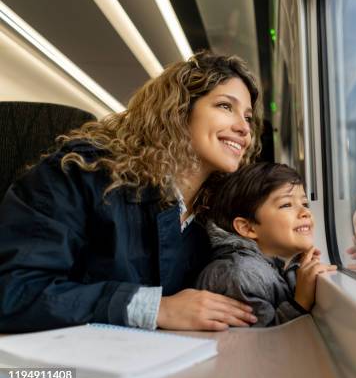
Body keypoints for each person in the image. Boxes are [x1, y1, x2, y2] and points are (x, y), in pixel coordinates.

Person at [0, 51, 262, 332]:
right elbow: (14, 290)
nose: (243, 128)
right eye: (225, 106)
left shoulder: (212, 216)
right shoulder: (82, 173)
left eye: (248, 117)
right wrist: (155, 308)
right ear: (178, 111)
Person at [196, 162, 337, 327]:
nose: (305, 212)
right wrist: (300, 302)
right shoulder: (239, 275)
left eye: (305, 204)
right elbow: (260, 343)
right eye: (286, 205)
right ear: (248, 228)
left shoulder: (278, 266)